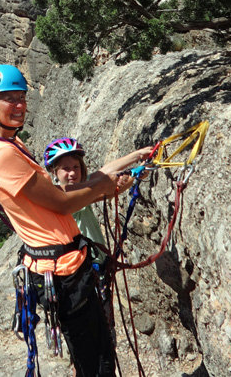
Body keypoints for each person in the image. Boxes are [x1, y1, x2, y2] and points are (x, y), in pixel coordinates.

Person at [0, 64, 150, 377]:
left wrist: (113, 177)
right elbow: (60, 202)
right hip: (62, 274)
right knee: (95, 364)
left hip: (68, 267)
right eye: (9, 99)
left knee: (98, 354)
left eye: (21, 98)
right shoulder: (0, 154)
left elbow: (66, 192)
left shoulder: (12, 144)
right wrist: (105, 188)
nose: (19, 106)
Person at [43, 138, 153, 336]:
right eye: (66, 169)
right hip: (81, 275)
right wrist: (134, 173)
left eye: (76, 167)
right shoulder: (61, 196)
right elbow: (104, 186)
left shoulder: (79, 188)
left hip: (95, 270)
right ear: (54, 172)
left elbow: (103, 174)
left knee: (101, 330)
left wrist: (138, 158)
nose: (72, 173)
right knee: (93, 334)